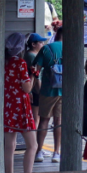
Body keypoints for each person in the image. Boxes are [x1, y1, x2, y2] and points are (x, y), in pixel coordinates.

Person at [3, 33, 43, 173]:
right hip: (21, 105)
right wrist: (34, 75)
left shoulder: (3, 63)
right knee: (32, 146)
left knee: (9, 146)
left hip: (7, 105)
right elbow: (27, 88)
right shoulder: (20, 63)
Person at [27, 29, 62, 164]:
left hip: (47, 90)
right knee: (59, 121)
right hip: (65, 90)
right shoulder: (71, 48)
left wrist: (33, 86)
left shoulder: (46, 49)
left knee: (44, 121)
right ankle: (56, 153)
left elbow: (36, 69)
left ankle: (39, 151)